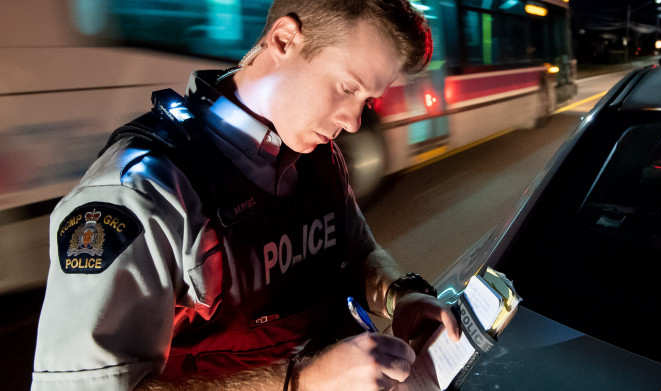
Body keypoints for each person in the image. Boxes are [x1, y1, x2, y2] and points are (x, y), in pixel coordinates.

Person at [31, 1, 460, 390]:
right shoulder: (143, 192)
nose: (352, 122)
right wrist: (300, 383)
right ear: (284, 39)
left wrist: (398, 293)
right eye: (348, 88)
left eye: (367, 100)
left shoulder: (317, 156)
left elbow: (356, 249)